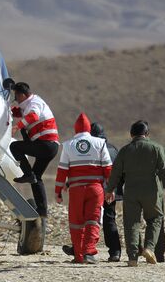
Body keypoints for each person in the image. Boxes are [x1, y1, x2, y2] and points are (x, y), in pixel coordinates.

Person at [105, 120, 165, 267]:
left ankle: (132, 258)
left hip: (131, 192)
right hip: (152, 192)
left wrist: (110, 190)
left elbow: (115, 173)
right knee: (155, 219)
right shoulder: (157, 148)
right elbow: (164, 170)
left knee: (131, 223)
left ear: (131, 134)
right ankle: (149, 248)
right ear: (147, 134)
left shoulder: (125, 150)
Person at [55, 113, 111, 264]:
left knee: (76, 222)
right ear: (88, 128)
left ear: (76, 129)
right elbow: (108, 169)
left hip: (76, 190)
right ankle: (89, 252)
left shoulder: (68, 145)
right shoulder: (100, 143)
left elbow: (62, 171)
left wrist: (58, 191)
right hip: (95, 189)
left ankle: (79, 256)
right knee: (93, 220)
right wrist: (110, 189)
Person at [62, 121, 122, 262]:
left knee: (83, 220)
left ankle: (82, 250)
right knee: (109, 220)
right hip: (110, 190)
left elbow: (84, 169)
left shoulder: (92, 147)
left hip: (96, 189)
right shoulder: (112, 148)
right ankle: (114, 252)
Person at [9, 82, 59, 218]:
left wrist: (16, 127)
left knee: (14, 147)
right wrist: (7, 110)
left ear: (22, 95)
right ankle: (42, 211)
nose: (16, 100)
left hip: (45, 144)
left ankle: (27, 174)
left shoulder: (34, 103)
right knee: (37, 178)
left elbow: (33, 116)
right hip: (51, 146)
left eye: (16, 96)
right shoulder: (28, 105)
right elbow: (19, 111)